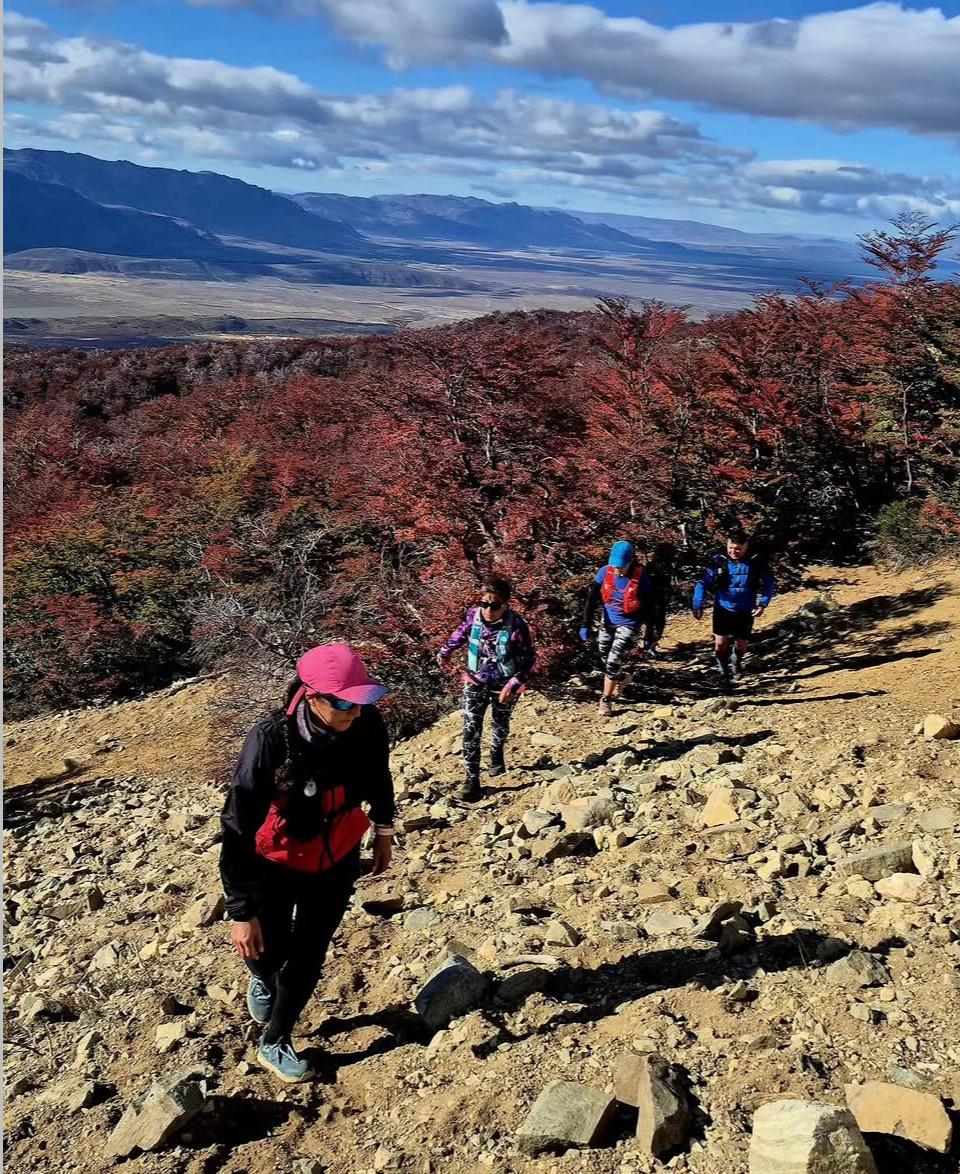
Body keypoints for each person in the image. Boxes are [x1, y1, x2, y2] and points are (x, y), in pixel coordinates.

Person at [219, 643, 395, 1084]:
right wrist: (241, 911)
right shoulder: (271, 739)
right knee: (269, 948)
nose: (354, 711)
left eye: (361, 699)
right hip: (276, 860)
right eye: (342, 701)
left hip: (336, 857)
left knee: (310, 953)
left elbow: (379, 776)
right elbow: (238, 824)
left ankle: (275, 1040)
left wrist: (384, 830)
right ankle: (260, 975)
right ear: (312, 695)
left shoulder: (366, 724)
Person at [437, 576, 536, 802]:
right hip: (475, 681)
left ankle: (496, 754)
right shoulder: (474, 616)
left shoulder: (517, 625)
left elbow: (529, 658)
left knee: (500, 723)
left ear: (506, 604)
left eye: (495, 605)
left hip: (505, 685)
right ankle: (472, 781)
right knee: (471, 728)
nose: (488, 609)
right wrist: (445, 653)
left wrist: (515, 683)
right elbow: (460, 633)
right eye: (484, 603)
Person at [692, 528, 775, 689]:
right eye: (730, 547)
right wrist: (697, 604)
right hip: (723, 607)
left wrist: (763, 603)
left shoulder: (756, 561)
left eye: (738, 548)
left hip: (746, 609)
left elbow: (769, 583)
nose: (733, 551)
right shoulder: (718, 561)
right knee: (721, 643)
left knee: (741, 645)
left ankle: (736, 661)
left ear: (746, 547)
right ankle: (724, 672)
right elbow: (702, 582)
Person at [580, 540, 651, 717]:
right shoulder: (605, 572)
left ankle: (606, 700)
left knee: (613, 660)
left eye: (621, 566)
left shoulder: (642, 578)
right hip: (608, 620)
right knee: (605, 656)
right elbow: (592, 599)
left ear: (630, 561)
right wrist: (585, 624)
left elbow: (652, 606)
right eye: (615, 565)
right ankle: (620, 678)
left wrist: (650, 631)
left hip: (629, 623)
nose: (617, 569)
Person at [643, 541, 676, 659]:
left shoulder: (667, 566)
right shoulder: (651, 566)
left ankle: (651, 646)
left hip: (659, 598)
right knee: (652, 625)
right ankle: (648, 647)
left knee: (656, 624)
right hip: (651, 599)